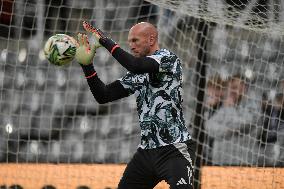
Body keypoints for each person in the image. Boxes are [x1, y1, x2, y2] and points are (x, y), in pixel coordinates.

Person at [75, 21, 195, 189]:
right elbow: (103, 95)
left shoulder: (168, 59)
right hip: (146, 152)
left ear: (151, 39)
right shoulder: (137, 74)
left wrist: (105, 41)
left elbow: (135, 65)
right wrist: (87, 66)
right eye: (129, 41)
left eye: (135, 40)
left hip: (174, 149)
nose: (131, 45)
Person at [204, 74, 262, 165]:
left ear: (245, 88)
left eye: (235, 87)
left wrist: (226, 125)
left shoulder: (254, 107)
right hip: (220, 160)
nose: (232, 91)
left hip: (244, 161)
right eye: (230, 87)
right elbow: (209, 126)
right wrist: (228, 130)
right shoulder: (226, 106)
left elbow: (244, 124)